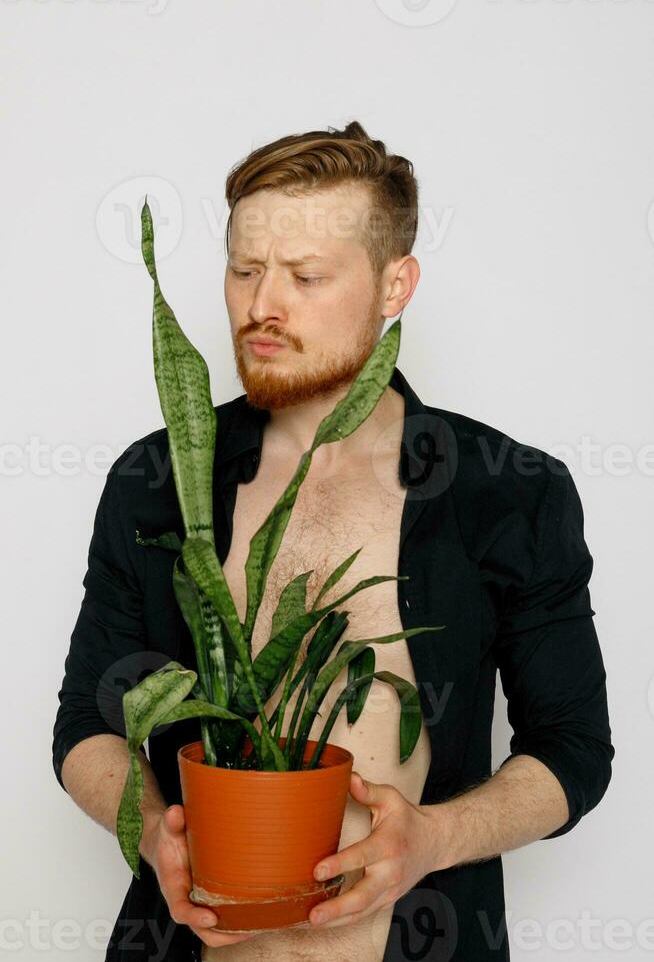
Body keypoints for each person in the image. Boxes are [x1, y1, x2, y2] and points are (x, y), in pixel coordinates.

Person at [52, 121, 614, 961]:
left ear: (396, 285)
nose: (261, 306)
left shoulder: (508, 490)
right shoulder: (160, 477)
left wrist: (433, 837)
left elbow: (573, 751)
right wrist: (150, 831)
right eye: (244, 271)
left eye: (307, 276)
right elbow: (85, 726)